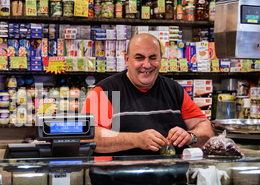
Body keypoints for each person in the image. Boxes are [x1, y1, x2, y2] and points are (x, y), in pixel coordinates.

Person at [81, 33, 214, 156]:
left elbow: (206, 129)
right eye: (139, 58)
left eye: (153, 57)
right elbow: (88, 137)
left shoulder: (174, 90)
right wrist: (137, 140)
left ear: (161, 59)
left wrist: (191, 136)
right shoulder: (105, 91)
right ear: (127, 60)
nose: (147, 64)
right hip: (118, 180)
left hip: (172, 180)